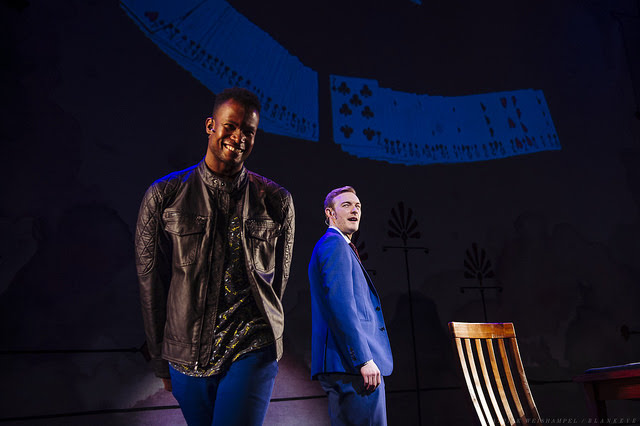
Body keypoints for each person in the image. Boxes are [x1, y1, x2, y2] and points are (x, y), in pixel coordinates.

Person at [134, 87, 295, 426]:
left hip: (252, 346)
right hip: (186, 352)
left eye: (248, 132)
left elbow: (276, 285)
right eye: (230, 126)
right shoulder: (165, 195)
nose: (238, 138)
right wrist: (161, 361)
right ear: (210, 125)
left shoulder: (277, 201)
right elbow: (152, 281)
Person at [308, 186, 393, 425]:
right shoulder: (334, 245)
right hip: (350, 365)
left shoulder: (338, 246)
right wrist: (364, 359)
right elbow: (341, 305)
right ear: (330, 213)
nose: (354, 210)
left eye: (358, 206)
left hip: (348, 365)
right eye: (346, 205)